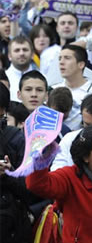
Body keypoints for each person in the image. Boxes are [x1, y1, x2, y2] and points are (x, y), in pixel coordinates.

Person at [0, 83, 32, 243]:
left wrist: (10, 173)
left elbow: (32, 191)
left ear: (2, 110)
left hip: (9, 225)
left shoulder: (17, 139)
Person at [51, 45, 92, 130]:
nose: (61, 62)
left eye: (67, 58)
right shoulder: (52, 90)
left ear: (81, 64)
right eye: (60, 58)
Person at [6, 36, 37, 102]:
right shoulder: (3, 80)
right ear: (9, 56)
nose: (21, 53)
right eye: (17, 50)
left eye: (25, 50)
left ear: (32, 54)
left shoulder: (43, 78)